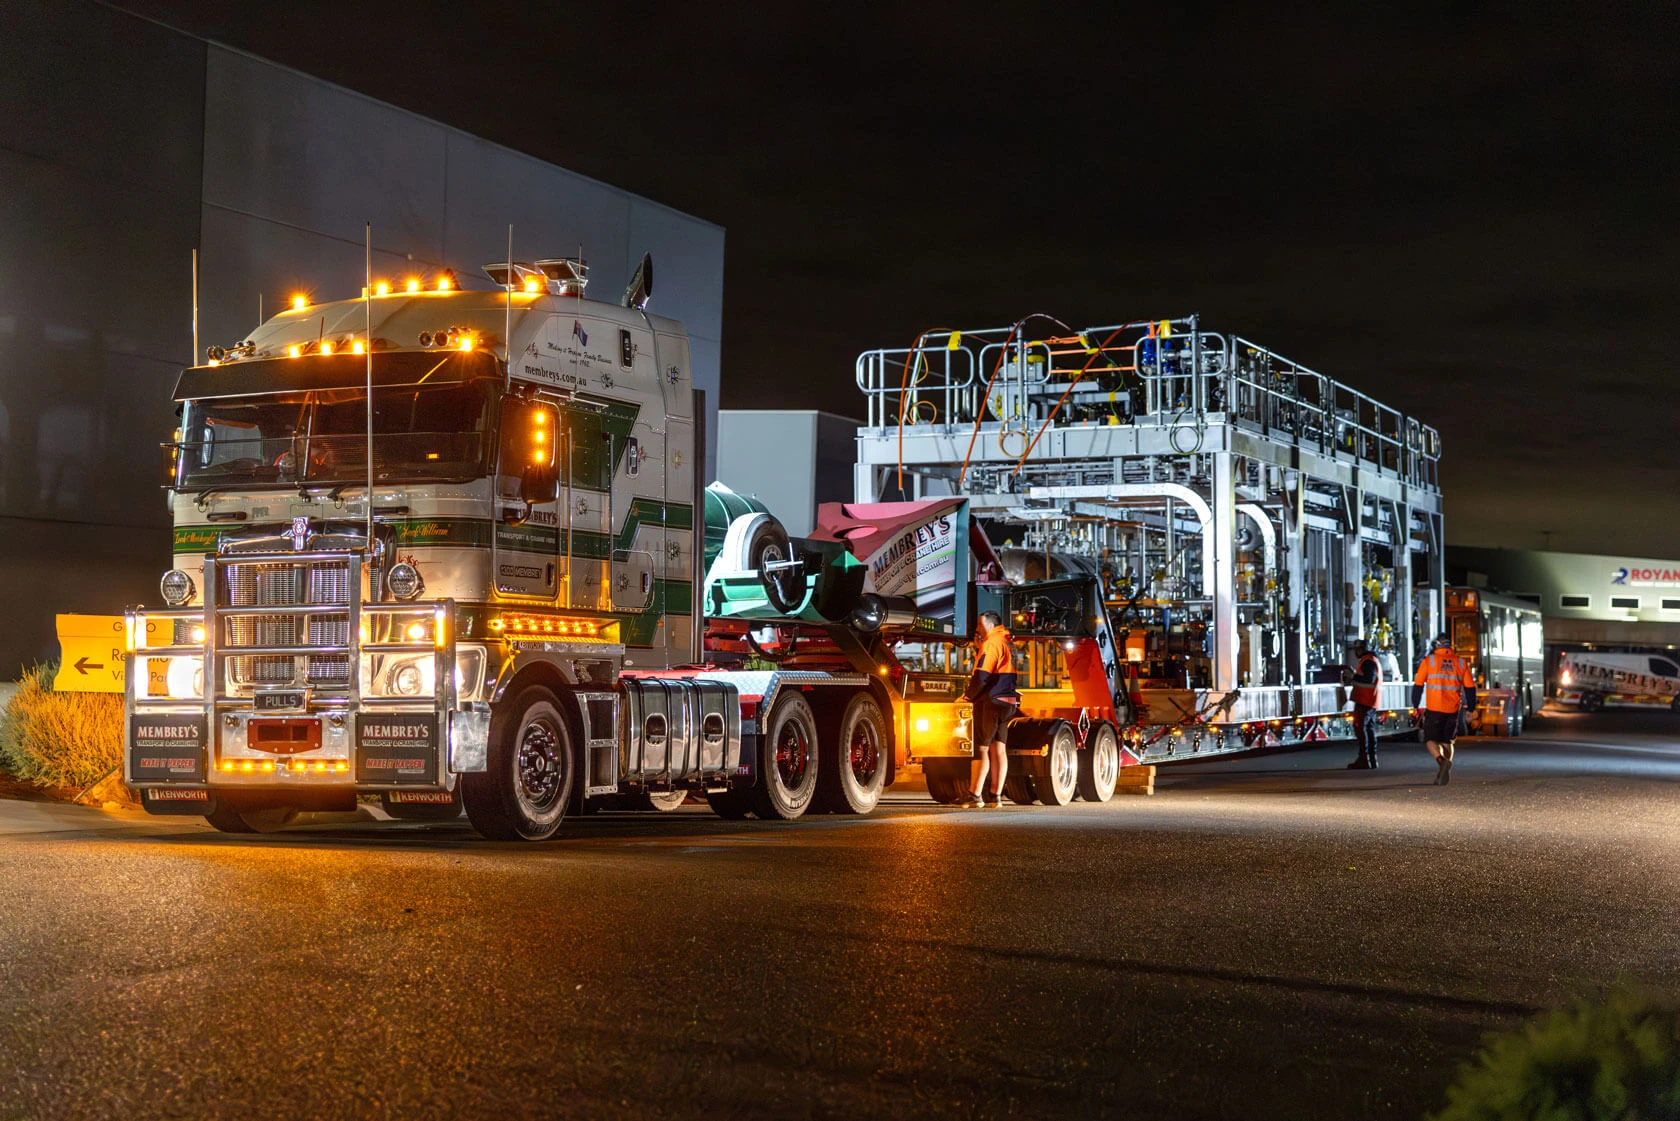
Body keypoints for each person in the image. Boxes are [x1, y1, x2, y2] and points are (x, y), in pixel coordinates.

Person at [958, 611, 1019, 809]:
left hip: (991, 701)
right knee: (999, 749)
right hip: (1008, 701)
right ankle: (996, 796)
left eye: (979, 625)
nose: (976, 629)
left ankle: (974, 795)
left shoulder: (991, 642)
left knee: (981, 747)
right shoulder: (1008, 641)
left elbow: (983, 675)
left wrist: (967, 697)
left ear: (989, 624)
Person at [1412, 633, 1476, 785]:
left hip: (1434, 708)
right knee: (1448, 742)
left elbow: (1418, 685)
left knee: (1430, 740)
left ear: (1438, 645)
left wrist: (1415, 705)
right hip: (1452, 710)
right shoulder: (1461, 663)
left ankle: (1442, 762)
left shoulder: (1429, 661)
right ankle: (1445, 770)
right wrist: (1470, 709)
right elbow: (1470, 688)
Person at [1344, 638, 1382, 769]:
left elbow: (1368, 679)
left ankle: (1364, 759)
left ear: (1362, 649)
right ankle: (1372, 759)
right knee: (1369, 729)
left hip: (1365, 700)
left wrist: (1352, 676)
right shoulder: (1372, 660)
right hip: (1370, 700)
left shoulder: (1368, 661)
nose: (1356, 652)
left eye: (1357, 649)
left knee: (1361, 729)